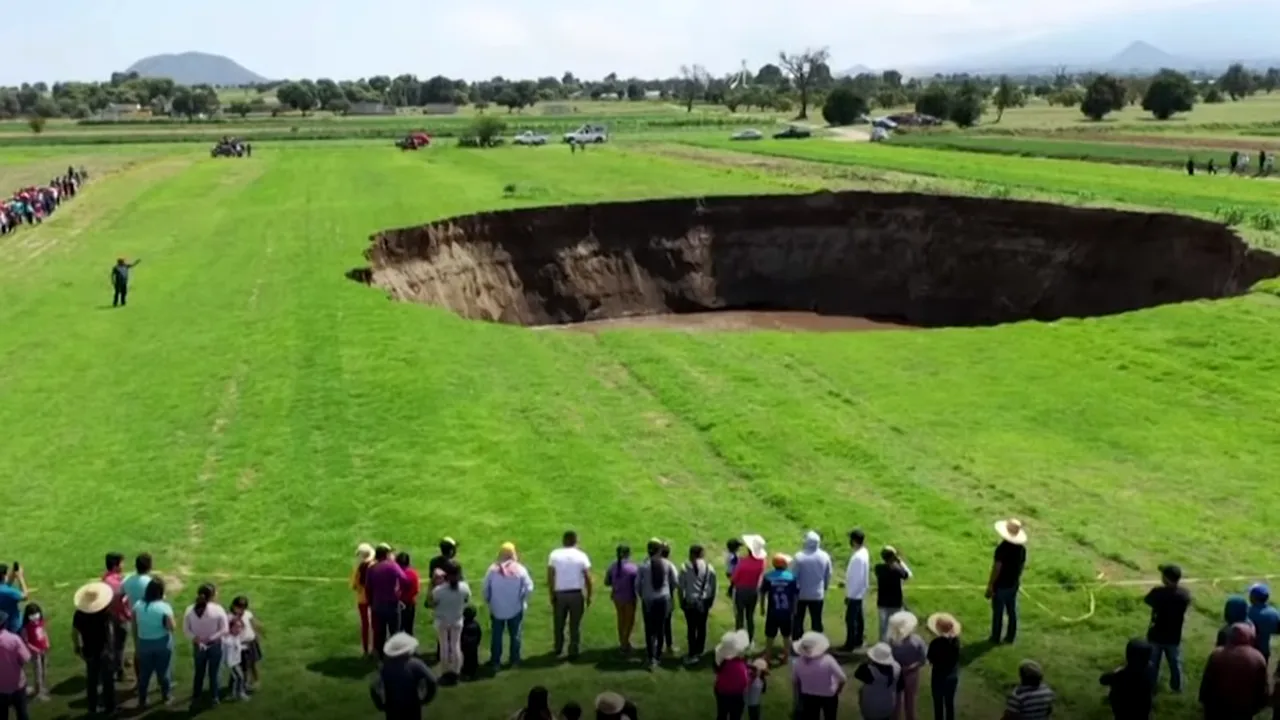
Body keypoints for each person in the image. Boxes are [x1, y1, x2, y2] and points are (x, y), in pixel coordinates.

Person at [1199, 622, 1269, 719]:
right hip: (1242, 709)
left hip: (1216, 706)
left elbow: (1207, 682)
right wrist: (1257, 707)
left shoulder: (1216, 654)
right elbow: (1262, 688)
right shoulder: (1258, 658)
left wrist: (1204, 700)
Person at [483, 542, 533, 670]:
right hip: (515, 608)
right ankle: (514, 660)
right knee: (515, 634)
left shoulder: (492, 570)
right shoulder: (520, 570)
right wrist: (522, 599)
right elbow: (529, 588)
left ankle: (495, 662)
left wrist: (489, 600)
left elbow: (485, 588)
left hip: (497, 608)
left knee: (496, 635)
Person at [72, 581, 117, 716]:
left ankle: (92, 707)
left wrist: (77, 646)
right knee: (108, 681)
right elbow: (110, 632)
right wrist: (112, 648)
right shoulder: (106, 613)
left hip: (89, 650)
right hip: (104, 650)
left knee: (92, 680)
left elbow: (74, 632)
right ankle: (110, 708)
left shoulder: (79, 615)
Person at [370, 633, 438, 720]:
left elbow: (373, 687)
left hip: (392, 710)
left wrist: (381, 705)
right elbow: (432, 681)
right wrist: (426, 699)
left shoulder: (385, 668)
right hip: (413, 708)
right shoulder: (416, 664)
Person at [1143, 563, 1189, 693]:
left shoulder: (1158, 592)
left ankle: (1151, 687)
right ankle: (1177, 687)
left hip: (1156, 634)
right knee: (1175, 663)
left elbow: (1147, 600)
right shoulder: (1184, 594)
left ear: (1166, 578)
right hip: (1174, 636)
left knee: (1153, 663)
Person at [547, 531, 592, 659]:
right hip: (576, 594)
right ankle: (573, 649)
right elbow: (588, 577)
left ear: (563, 541)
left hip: (560, 594)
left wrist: (551, 593)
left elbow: (550, 576)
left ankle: (558, 647)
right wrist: (589, 595)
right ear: (576, 541)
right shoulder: (581, 556)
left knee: (558, 623)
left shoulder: (554, 555)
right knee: (575, 624)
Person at [183, 582, 229, 710]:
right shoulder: (218, 609)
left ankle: (196, 696)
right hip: (214, 646)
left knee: (199, 672)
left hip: (198, 646)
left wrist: (196, 639)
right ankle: (214, 698)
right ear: (212, 595)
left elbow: (186, 630)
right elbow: (224, 629)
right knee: (214, 673)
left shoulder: (189, 610)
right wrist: (211, 638)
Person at [133, 578, 175, 709]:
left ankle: (142, 700)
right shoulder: (164, 607)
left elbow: (134, 625)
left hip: (144, 643)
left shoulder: (138, 605)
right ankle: (166, 696)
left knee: (144, 674)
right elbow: (171, 627)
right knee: (163, 672)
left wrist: (137, 643)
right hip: (161, 643)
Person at [636, 539, 678, 670]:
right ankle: (658, 655)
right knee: (661, 628)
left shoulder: (643, 566)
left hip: (648, 600)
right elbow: (675, 581)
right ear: (660, 550)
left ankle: (651, 657)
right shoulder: (668, 564)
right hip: (663, 599)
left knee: (649, 629)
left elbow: (637, 585)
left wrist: (643, 595)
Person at [987, 518, 1028, 645]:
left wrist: (990, 585)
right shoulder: (1022, 549)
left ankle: (995, 637)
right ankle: (1011, 636)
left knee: (998, 612)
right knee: (1012, 610)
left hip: (1001, 585)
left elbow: (997, 568)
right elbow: (1021, 566)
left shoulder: (1002, 549)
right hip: (1013, 584)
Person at [677, 544, 717, 665]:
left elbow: (680, 587)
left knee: (691, 628)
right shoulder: (709, 567)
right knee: (702, 626)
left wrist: (681, 601)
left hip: (690, 602)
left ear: (691, 554)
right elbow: (713, 586)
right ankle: (700, 650)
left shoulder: (684, 567)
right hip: (703, 602)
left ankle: (692, 652)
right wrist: (711, 601)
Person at [430, 561, 470, 681]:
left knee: (444, 647)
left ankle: (445, 671)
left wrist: (434, 581)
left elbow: (432, 603)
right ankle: (456, 671)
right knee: (455, 645)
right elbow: (466, 599)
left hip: (442, 620)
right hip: (457, 619)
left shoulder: (438, 590)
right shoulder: (464, 587)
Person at [792, 632, 845, 720]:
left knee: (812, 716)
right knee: (830, 716)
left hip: (808, 695)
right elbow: (842, 678)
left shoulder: (798, 662)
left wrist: (797, 697)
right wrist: (839, 689)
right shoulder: (828, 660)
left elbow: (795, 681)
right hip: (829, 694)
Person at [368, 545, 409, 659]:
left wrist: (372, 603)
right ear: (386, 554)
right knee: (394, 632)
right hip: (392, 604)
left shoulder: (372, 568)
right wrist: (399, 593)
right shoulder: (393, 566)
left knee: (379, 633)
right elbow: (405, 580)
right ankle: (394, 656)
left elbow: (368, 588)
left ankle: (380, 655)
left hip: (377, 605)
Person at [1098, 638, 1153, 720]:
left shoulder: (1120, 675)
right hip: (1142, 713)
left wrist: (1116, 671)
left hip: (1122, 713)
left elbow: (1103, 680)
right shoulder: (1148, 674)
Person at [791, 532, 832, 641]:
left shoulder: (799, 557)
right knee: (816, 620)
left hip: (801, 594)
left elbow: (793, 576)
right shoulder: (825, 556)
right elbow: (828, 574)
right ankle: (818, 643)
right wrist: (825, 586)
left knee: (798, 620)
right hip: (817, 594)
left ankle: (797, 642)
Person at [760, 553, 798, 665]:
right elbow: (795, 595)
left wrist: (762, 607)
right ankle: (786, 656)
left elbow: (762, 593)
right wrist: (795, 609)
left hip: (773, 611)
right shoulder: (791, 577)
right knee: (787, 635)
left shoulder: (768, 577)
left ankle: (767, 655)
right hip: (786, 612)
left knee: (770, 635)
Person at [888, 612, 926, 720]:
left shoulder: (891, 641)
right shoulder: (917, 640)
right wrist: (911, 667)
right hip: (912, 675)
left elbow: (888, 658)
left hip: (895, 674)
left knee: (895, 702)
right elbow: (922, 659)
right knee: (911, 702)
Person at [732, 535, 767, 646]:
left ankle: (738, 639)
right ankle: (750, 640)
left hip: (741, 590)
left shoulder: (742, 562)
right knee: (750, 616)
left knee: (739, 616)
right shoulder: (761, 562)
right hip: (753, 590)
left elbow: (734, 577)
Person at [100, 552, 130, 683]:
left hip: (108, 616)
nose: (123, 565)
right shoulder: (118, 584)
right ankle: (119, 671)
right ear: (115, 566)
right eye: (121, 563)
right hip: (119, 617)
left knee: (113, 643)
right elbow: (121, 602)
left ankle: (119, 662)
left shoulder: (105, 578)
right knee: (119, 645)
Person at [926, 613, 961, 720]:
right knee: (949, 703)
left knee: (938, 704)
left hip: (938, 677)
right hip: (952, 676)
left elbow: (930, 659)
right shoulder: (956, 642)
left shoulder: (935, 643)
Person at [604, 545, 638, 653]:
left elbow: (607, 582)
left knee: (621, 619)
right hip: (629, 597)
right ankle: (625, 642)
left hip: (617, 597)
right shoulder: (633, 568)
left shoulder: (612, 566)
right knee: (629, 620)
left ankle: (622, 642)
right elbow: (637, 584)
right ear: (628, 554)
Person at [873, 547, 911, 642]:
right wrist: (900, 561)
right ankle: (893, 647)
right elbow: (908, 575)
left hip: (882, 602)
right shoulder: (897, 569)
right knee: (895, 627)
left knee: (883, 628)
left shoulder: (878, 568)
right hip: (895, 603)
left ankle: (882, 647)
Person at [855, 642, 902, 720]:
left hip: (870, 708)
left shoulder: (867, 670)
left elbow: (857, 674)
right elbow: (899, 688)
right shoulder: (897, 667)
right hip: (888, 706)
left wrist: (868, 660)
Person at [712, 630, 751, 720]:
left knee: (722, 714)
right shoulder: (739, 666)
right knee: (735, 716)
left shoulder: (722, 662)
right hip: (736, 695)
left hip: (721, 693)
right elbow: (744, 682)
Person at [842, 529, 870, 652]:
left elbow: (857, 578)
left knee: (851, 619)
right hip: (859, 591)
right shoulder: (863, 552)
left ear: (853, 541)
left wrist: (850, 595)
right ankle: (858, 639)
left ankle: (850, 644)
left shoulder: (858, 557)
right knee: (858, 617)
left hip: (855, 593)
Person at [0, 610, 31, 720]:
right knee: (22, 714)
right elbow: (26, 658)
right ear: (5, 623)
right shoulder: (14, 639)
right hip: (17, 685)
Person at [230, 596, 263, 692]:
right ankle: (242, 684)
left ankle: (256, 681)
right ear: (234, 606)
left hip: (251, 642)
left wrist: (257, 633)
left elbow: (253, 624)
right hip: (241, 645)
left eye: (243, 608)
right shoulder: (231, 617)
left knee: (253, 663)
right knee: (242, 666)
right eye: (239, 608)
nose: (241, 610)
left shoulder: (247, 614)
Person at [18, 605, 47, 701]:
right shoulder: (26, 627)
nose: (35, 616)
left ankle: (41, 687)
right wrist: (34, 649)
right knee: (38, 671)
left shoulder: (40, 622)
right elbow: (25, 641)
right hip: (35, 653)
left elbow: (43, 632)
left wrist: (47, 641)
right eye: (32, 614)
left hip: (42, 649)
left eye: (36, 613)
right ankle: (39, 693)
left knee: (43, 669)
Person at [352, 543, 376, 657]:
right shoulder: (375, 565)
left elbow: (354, 585)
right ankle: (376, 648)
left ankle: (366, 649)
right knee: (376, 624)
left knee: (365, 625)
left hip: (362, 600)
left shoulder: (360, 568)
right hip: (375, 598)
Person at [1245, 583, 1279, 662]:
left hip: (1248, 650)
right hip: (1264, 651)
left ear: (1253, 598)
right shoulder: (1274, 613)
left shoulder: (1247, 612)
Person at [223, 617, 249, 701]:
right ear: (231, 628)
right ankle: (240, 693)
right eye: (237, 627)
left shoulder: (236, 636)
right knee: (240, 677)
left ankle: (233, 694)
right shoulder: (228, 640)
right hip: (231, 663)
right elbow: (227, 652)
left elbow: (237, 647)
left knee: (236, 678)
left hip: (236, 661)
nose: (239, 629)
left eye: (240, 627)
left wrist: (243, 647)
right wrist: (230, 664)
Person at [397, 553, 421, 637]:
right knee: (409, 628)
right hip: (410, 603)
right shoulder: (413, 574)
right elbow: (416, 590)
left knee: (398, 629)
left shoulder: (396, 573)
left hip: (397, 604)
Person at [0, 566, 28, 635]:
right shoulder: (9, 592)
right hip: (14, 625)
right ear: (3, 576)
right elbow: (25, 596)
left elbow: (6, 585)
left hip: (2, 625)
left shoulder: (4, 589)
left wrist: (13, 576)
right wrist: (20, 577)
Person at [460, 606, 482, 681]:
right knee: (474, 657)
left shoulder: (463, 624)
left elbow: (461, 635)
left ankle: (466, 671)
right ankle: (474, 669)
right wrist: (477, 643)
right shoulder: (476, 624)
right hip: (474, 645)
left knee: (466, 659)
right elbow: (479, 634)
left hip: (465, 645)